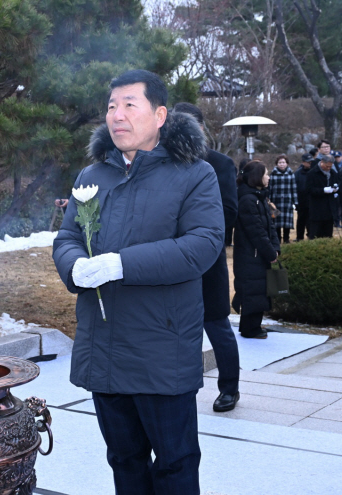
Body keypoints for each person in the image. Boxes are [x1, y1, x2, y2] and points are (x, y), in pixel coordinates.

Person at [53, 70, 224, 495]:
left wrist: (120, 264)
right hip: (105, 350)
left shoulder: (194, 174)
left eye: (130, 104)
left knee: (175, 465)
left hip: (161, 351)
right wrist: (73, 265)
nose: (118, 116)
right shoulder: (92, 175)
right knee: (124, 462)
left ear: (160, 114)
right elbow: (68, 237)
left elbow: (202, 245)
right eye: (112, 106)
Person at [173, 102, 240, 413]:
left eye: (189, 124)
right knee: (174, 330)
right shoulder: (165, 162)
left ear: (200, 128)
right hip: (171, 261)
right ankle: (177, 387)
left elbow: (229, 212)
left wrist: (194, 236)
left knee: (217, 326)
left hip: (207, 260)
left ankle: (230, 387)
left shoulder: (219, 163)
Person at [232, 160, 280, 339]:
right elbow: (256, 231)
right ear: (256, 177)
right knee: (252, 290)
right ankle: (249, 328)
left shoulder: (259, 197)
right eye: (265, 173)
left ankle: (255, 325)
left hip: (260, 254)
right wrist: (269, 252)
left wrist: (275, 248)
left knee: (260, 290)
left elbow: (270, 227)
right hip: (250, 255)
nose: (268, 177)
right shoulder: (247, 200)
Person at [306, 154, 340, 239]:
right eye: (327, 166)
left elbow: (337, 183)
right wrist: (323, 190)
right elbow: (309, 189)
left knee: (328, 235)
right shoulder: (312, 173)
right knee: (315, 234)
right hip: (317, 209)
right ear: (322, 162)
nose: (328, 168)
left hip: (329, 209)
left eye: (330, 166)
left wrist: (335, 189)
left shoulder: (333, 173)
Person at [268, 154, 298, 244]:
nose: (281, 164)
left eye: (283, 162)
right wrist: (269, 202)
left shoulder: (291, 174)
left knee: (287, 222)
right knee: (276, 222)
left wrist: (295, 202)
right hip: (276, 202)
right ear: (276, 164)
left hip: (287, 202)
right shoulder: (272, 174)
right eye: (279, 162)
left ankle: (286, 238)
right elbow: (270, 189)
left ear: (287, 163)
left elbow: (294, 188)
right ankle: (277, 239)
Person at [294, 153, 314, 241]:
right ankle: (299, 237)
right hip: (301, 200)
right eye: (308, 162)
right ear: (303, 162)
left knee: (311, 220)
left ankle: (311, 235)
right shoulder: (298, 173)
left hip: (312, 200)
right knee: (301, 220)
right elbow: (295, 187)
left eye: (311, 162)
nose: (310, 164)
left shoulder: (314, 171)